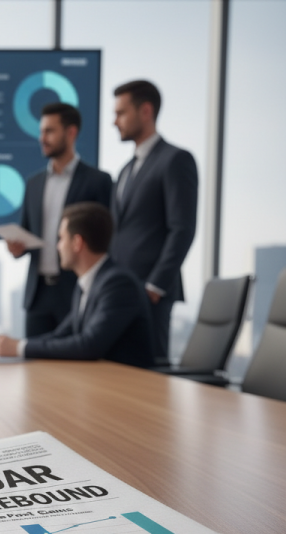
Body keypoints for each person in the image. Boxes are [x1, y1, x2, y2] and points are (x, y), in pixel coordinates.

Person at [0, 202, 154, 368]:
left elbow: (89, 345)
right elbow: (63, 335)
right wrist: (18, 344)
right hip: (98, 378)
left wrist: (19, 348)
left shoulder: (118, 284)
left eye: (61, 238)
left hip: (127, 385)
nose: (58, 246)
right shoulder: (87, 283)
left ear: (77, 243)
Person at [7, 103, 112, 337]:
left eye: (49, 131)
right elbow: (25, 232)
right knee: (34, 366)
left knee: (76, 366)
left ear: (71, 132)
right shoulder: (33, 184)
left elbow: (106, 240)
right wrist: (15, 248)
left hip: (77, 290)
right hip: (37, 294)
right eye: (41, 131)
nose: (42, 138)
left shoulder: (98, 181)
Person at [110, 80, 198, 360]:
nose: (115, 121)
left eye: (121, 113)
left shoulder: (175, 160)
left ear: (145, 111)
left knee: (150, 377)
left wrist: (155, 286)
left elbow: (182, 228)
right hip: (120, 292)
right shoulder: (125, 170)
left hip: (150, 295)